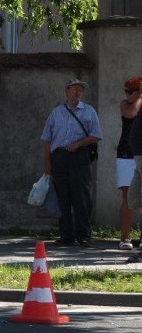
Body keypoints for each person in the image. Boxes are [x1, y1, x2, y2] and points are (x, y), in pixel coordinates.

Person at [40, 79, 103, 248]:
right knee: (63, 197)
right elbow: (47, 139)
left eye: (80, 89)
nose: (78, 92)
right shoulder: (56, 113)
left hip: (79, 156)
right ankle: (66, 235)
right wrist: (48, 162)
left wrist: (80, 143)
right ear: (67, 91)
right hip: (59, 156)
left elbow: (96, 135)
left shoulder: (89, 111)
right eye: (75, 89)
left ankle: (83, 236)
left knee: (81, 196)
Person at [116, 76, 142, 250]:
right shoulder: (126, 104)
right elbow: (131, 113)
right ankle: (125, 238)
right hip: (125, 155)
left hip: (140, 155)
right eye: (126, 90)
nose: (126, 94)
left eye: (130, 91)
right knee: (127, 196)